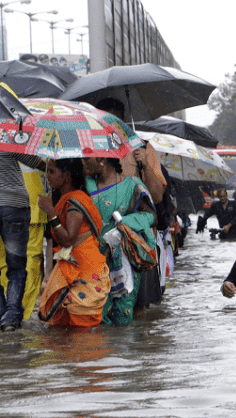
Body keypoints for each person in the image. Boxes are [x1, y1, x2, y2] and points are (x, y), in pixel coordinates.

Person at [96, 97, 168, 310]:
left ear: (124, 120)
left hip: (136, 240)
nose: (111, 126)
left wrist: (144, 163)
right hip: (102, 239)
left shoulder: (141, 148)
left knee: (138, 306)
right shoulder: (91, 150)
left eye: (115, 120)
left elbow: (157, 197)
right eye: (105, 121)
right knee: (101, 304)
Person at [37, 159, 110, 327]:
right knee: (67, 330)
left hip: (84, 270)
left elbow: (68, 240)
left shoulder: (75, 201)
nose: (48, 176)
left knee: (81, 331)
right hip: (76, 266)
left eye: (52, 171)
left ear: (67, 176)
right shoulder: (69, 199)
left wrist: (50, 212)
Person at [84, 156, 156, 325]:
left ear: (102, 159)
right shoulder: (85, 185)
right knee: (92, 316)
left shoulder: (132, 186)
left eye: (87, 159)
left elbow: (152, 216)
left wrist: (125, 223)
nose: (84, 163)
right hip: (91, 262)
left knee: (122, 317)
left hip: (123, 261)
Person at [0, 152, 44, 331]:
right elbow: (36, 162)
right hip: (14, 206)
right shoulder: (8, 139)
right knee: (17, 267)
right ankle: (10, 318)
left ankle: (2, 313)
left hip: (13, 207)